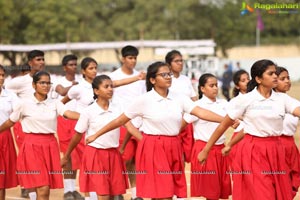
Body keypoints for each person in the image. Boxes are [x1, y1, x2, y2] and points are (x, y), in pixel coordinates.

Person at [85, 61, 224, 200]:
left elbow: (201, 112)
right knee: (165, 193)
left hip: (174, 146)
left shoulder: (179, 98)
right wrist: (96, 135)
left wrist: (225, 120)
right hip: (153, 147)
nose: (168, 77)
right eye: (163, 74)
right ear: (152, 80)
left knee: (162, 193)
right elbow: (119, 121)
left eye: (169, 74)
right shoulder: (144, 100)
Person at [198, 59, 300, 200]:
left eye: (275, 73)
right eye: (271, 74)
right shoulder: (246, 100)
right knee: (264, 194)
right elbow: (223, 125)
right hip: (254, 152)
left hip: (277, 150)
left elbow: (297, 110)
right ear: (258, 79)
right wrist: (206, 150)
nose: (275, 77)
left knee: (281, 194)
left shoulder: (282, 99)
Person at [61, 57, 145, 200]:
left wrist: (146, 141)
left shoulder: (118, 108)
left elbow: (130, 127)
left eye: (111, 86)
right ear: (97, 91)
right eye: (106, 87)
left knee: (113, 194)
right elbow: (77, 135)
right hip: (95, 155)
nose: (110, 89)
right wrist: (67, 155)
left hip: (113, 155)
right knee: (103, 194)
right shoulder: (88, 111)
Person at [0, 71, 80, 200]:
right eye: (42, 82)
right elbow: (10, 121)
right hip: (32, 147)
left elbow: (68, 113)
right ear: (34, 85)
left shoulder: (55, 103)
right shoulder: (24, 104)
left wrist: (86, 116)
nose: (46, 86)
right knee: (43, 188)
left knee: (45, 190)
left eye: (48, 83)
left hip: (50, 146)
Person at [183, 73, 231, 199]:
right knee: (211, 191)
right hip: (204, 149)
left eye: (216, 85)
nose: (215, 88)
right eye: (211, 85)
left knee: (220, 190)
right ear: (202, 88)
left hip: (221, 149)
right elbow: (181, 125)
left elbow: (236, 115)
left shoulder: (223, 103)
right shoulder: (196, 107)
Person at [5, 49, 45, 199]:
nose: (41, 62)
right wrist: (16, 107)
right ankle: (26, 186)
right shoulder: (19, 82)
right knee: (26, 157)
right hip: (24, 126)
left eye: (43, 59)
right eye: (38, 59)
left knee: (39, 160)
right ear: (30, 63)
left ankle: (35, 186)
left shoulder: (46, 80)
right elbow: (4, 91)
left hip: (42, 128)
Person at [109, 45, 146, 200]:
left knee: (136, 162)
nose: (133, 61)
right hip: (122, 123)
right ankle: (117, 192)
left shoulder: (141, 77)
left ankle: (136, 195)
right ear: (123, 59)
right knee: (123, 160)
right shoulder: (113, 76)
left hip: (139, 123)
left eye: (135, 58)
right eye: (130, 58)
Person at [54, 54, 83, 200]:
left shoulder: (81, 81)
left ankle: (73, 189)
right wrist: (74, 86)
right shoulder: (58, 81)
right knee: (67, 155)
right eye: (71, 64)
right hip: (65, 120)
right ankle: (67, 190)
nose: (74, 67)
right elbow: (62, 92)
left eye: (75, 64)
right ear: (64, 67)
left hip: (78, 119)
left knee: (77, 155)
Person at [165, 50, 197, 164]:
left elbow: (194, 99)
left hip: (187, 121)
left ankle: (180, 180)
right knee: (174, 155)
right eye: (176, 61)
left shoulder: (186, 79)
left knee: (186, 155)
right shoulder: (166, 80)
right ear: (169, 64)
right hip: (172, 121)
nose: (180, 63)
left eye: (181, 60)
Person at [274, 66, 300, 197]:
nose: (287, 81)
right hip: (275, 146)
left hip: (290, 146)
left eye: (288, 78)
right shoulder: (269, 102)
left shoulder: (295, 103)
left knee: (293, 182)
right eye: (282, 78)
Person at [0, 65, 19, 200]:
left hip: (4, 137)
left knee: (1, 178)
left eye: (2, 75)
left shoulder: (10, 96)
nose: (1, 78)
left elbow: (20, 111)